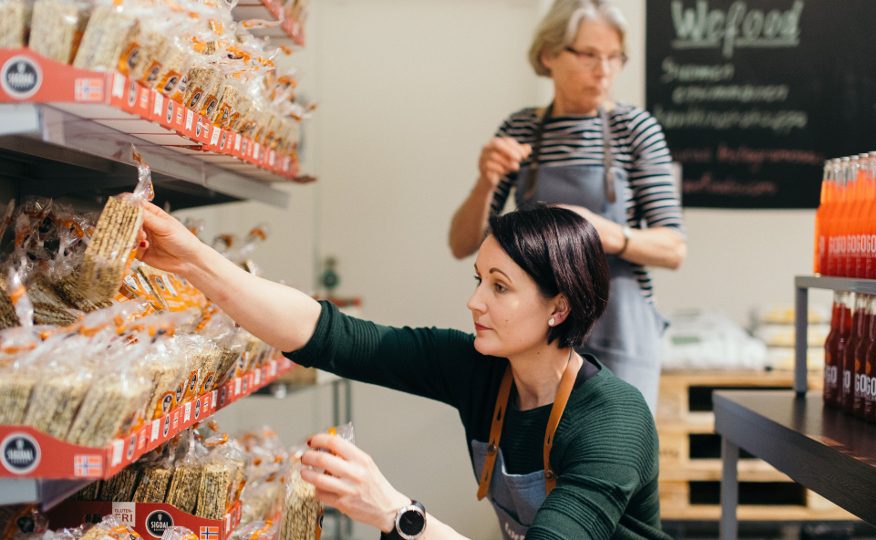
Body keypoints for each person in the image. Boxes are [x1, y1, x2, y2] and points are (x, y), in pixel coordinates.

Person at [137, 203, 669, 539]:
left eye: (499, 287)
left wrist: (394, 512)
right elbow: (329, 336)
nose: (474, 302)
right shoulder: (485, 369)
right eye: (479, 279)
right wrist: (192, 260)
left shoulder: (611, 420)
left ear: (558, 309)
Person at [448, 0, 686, 412]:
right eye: (589, 55)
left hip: (621, 328)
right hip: (539, 332)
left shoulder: (636, 130)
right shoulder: (522, 130)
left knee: (615, 451)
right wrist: (485, 181)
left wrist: (603, 231)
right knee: (543, 456)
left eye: (614, 57)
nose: (605, 70)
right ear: (548, 54)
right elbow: (462, 244)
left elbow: (673, 249)